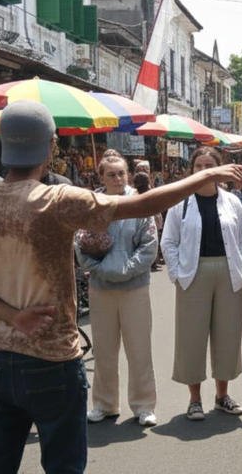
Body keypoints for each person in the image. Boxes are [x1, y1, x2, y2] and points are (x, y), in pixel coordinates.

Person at [0, 101, 242, 473]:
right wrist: (204, 178)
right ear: (51, 146)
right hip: (52, 360)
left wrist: (13, 317)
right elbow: (141, 205)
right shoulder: (56, 200)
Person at [161, 147, 242, 421]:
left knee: (227, 335)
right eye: (198, 166)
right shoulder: (180, 202)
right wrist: (178, 274)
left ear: (220, 170)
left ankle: (222, 395)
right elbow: (168, 242)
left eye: (209, 165)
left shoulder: (232, 201)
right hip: (193, 274)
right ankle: (194, 399)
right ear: (191, 170)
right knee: (191, 338)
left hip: (229, 273)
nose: (203, 170)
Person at [75, 156, 159, 428]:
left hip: (134, 287)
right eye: (110, 174)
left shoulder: (139, 205)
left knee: (139, 349)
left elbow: (149, 246)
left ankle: (144, 405)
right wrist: (98, 267)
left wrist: (124, 269)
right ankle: (104, 403)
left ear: (129, 175)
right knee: (104, 350)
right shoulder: (91, 206)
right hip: (101, 288)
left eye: (121, 173)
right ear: (101, 177)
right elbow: (80, 244)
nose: (117, 179)